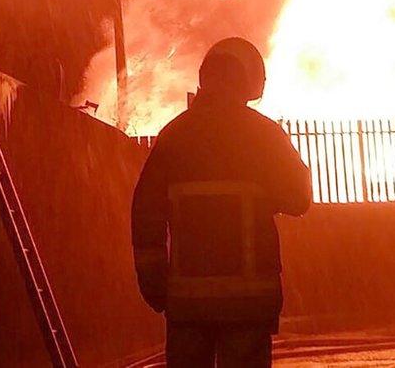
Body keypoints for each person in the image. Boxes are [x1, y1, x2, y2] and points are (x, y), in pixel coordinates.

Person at [131, 37, 312, 367]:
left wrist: (154, 284)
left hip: (188, 305)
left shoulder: (175, 135)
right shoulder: (264, 135)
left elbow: (146, 213)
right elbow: (300, 198)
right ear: (249, 81)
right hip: (248, 303)